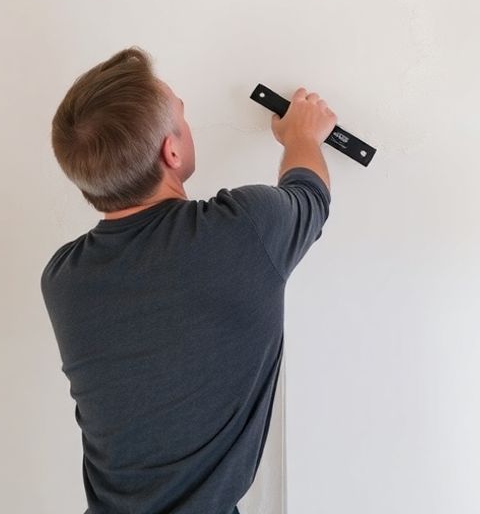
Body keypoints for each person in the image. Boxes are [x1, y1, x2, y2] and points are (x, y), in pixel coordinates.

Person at [41, 46, 335, 514]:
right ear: (171, 150)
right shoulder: (243, 230)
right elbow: (310, 194)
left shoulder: (63, 278)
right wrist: (303, 135)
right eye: (181, 112)